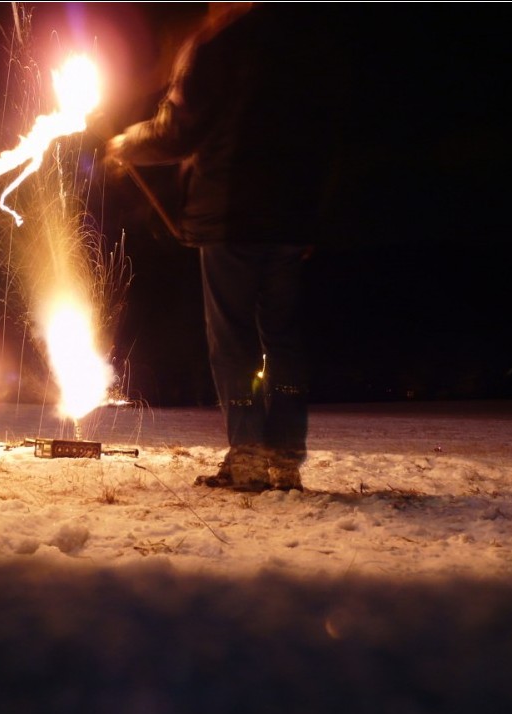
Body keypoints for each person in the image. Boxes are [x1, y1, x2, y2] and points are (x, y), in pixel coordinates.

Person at [104, 3, 346, 492]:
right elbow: (330, 136)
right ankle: (284, 456)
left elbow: (179, 129)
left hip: (230, 215)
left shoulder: (217, 43)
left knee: (232, 340)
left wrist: (127, 143)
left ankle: (250, 455)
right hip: (290, 220)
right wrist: (312, 219)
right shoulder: (310, 44)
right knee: (283, 339)